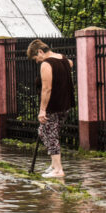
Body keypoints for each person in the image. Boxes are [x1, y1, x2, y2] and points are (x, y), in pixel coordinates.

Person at [27, 39, 75, 178]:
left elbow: (47, 89)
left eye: (36, 58)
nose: (37, 61)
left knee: (50, 135)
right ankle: (54, 164)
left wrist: (42, 110)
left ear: (40, 52)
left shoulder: (46, 64)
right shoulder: (63, 59)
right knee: (43, 132)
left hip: (53, 106)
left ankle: (58, 170)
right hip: (65, 104)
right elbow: (70, 63)